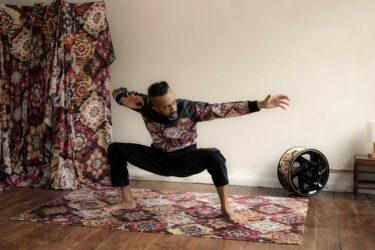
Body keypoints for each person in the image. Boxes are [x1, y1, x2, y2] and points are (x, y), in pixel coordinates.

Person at [104, 81, 290, 224]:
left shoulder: (190, 109)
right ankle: (128, 200)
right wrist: (122, 98)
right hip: (159, 159)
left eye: (173, 102)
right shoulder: (143, 104)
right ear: (154, 107)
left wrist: (259, 104)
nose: (173, 108)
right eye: (166, 106)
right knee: (115, 149)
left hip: (186, 159)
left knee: (214, 155)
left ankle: (226, 208)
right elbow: (117, 90)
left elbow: (224, 110)